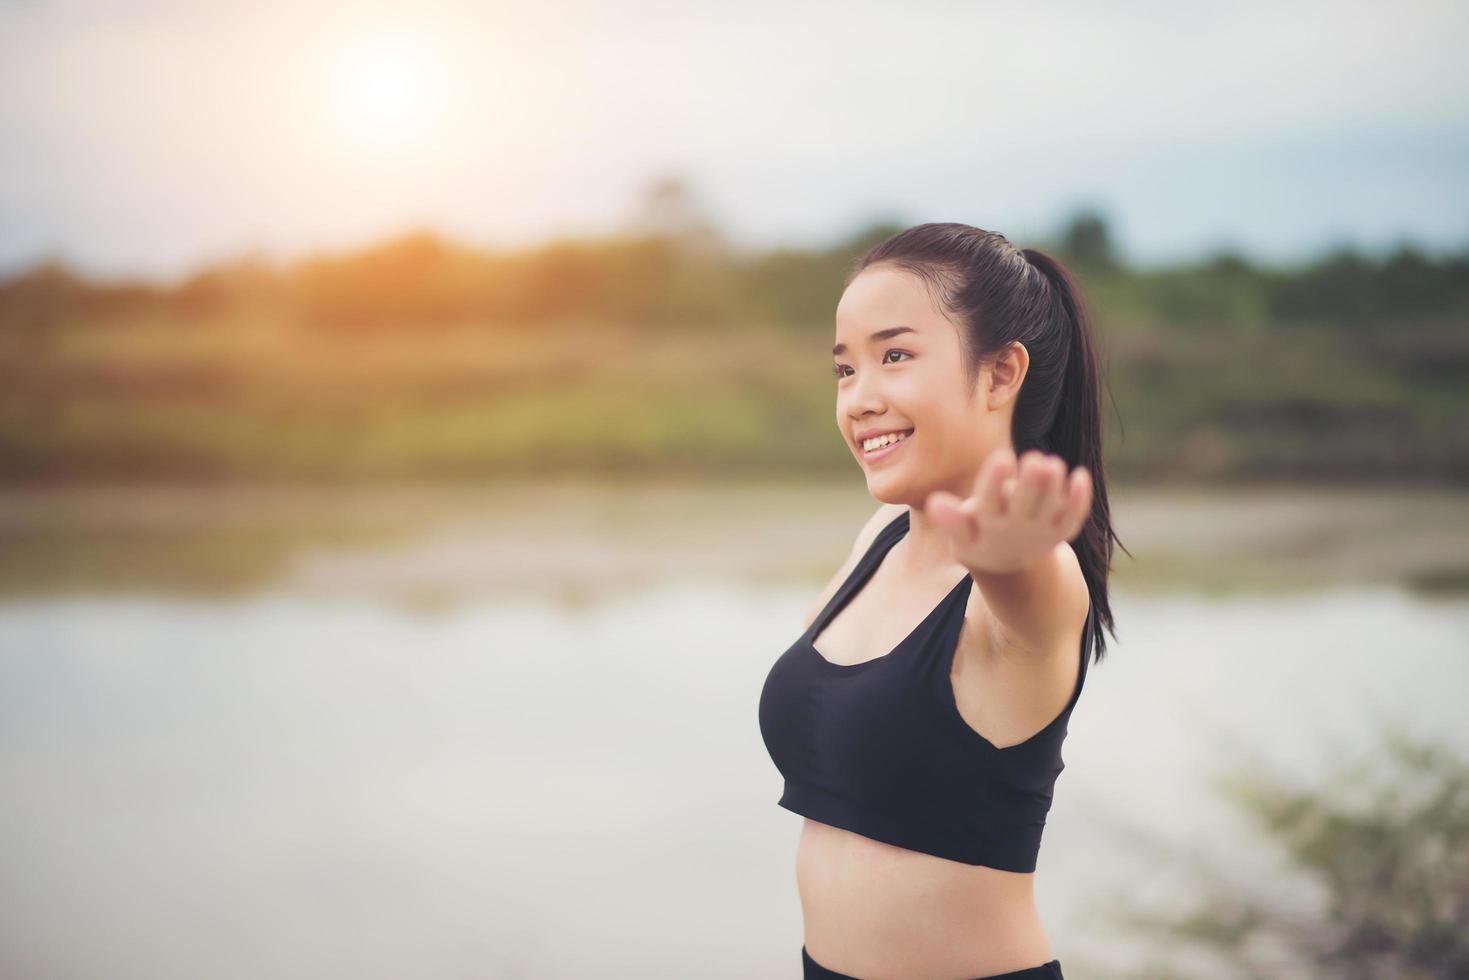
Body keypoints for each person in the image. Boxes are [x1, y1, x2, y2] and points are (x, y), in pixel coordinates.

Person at [758, 223, 1122, 979]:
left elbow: (1029, 599)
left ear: (998, 375)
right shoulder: (879, 537)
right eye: (844, 369)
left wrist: (1008, 560)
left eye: (893, 356)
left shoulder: (1036, 576)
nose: (859, 399)